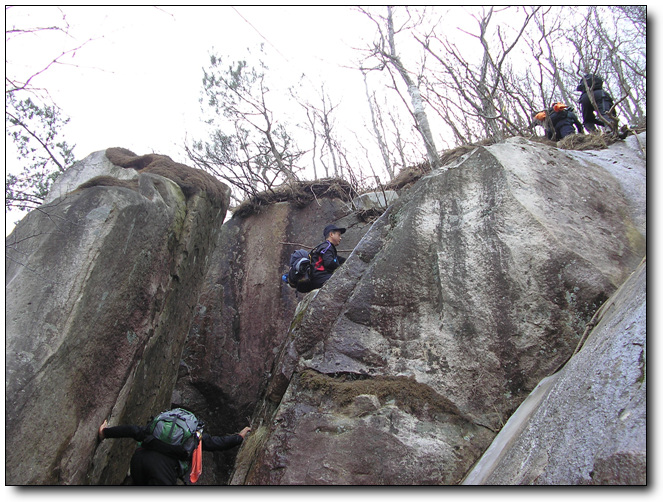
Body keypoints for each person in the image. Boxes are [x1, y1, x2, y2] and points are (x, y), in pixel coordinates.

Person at [98, 412, 250, 485]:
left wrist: (105, 432)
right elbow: (217, 443)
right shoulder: (194, 434)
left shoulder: (157, 427)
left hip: (139, 461)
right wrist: (239, 437)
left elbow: (132, 431)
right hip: (163, 470)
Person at [309, 224, 346, 290]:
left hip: (317, 277)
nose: (340, 238)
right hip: (321, 276)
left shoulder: (326, 246)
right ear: (331, 234)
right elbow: (329, 263)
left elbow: (337, 259)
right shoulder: (327, 247)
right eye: (339, 235)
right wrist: (340, 267)